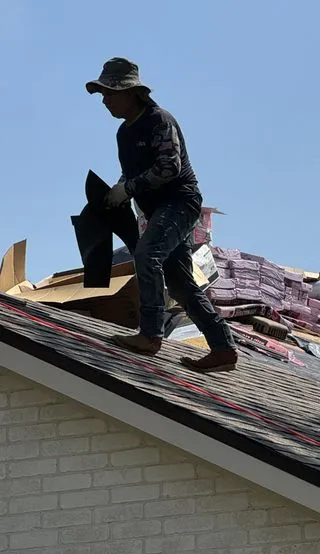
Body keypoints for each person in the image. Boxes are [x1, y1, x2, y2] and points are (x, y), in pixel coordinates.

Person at [86, 57, 238, 373]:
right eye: (103, 94)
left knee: (147, 254)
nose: (105, 100)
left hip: (180, 203)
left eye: (110, 93)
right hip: (158, 210)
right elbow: (130, 173)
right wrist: (116, 193)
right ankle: (223, 347)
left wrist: (128, 189)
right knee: (179, 283)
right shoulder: (124, 134)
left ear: (131, 92)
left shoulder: (159, 120)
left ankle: (151, 333)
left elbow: (170, 167)